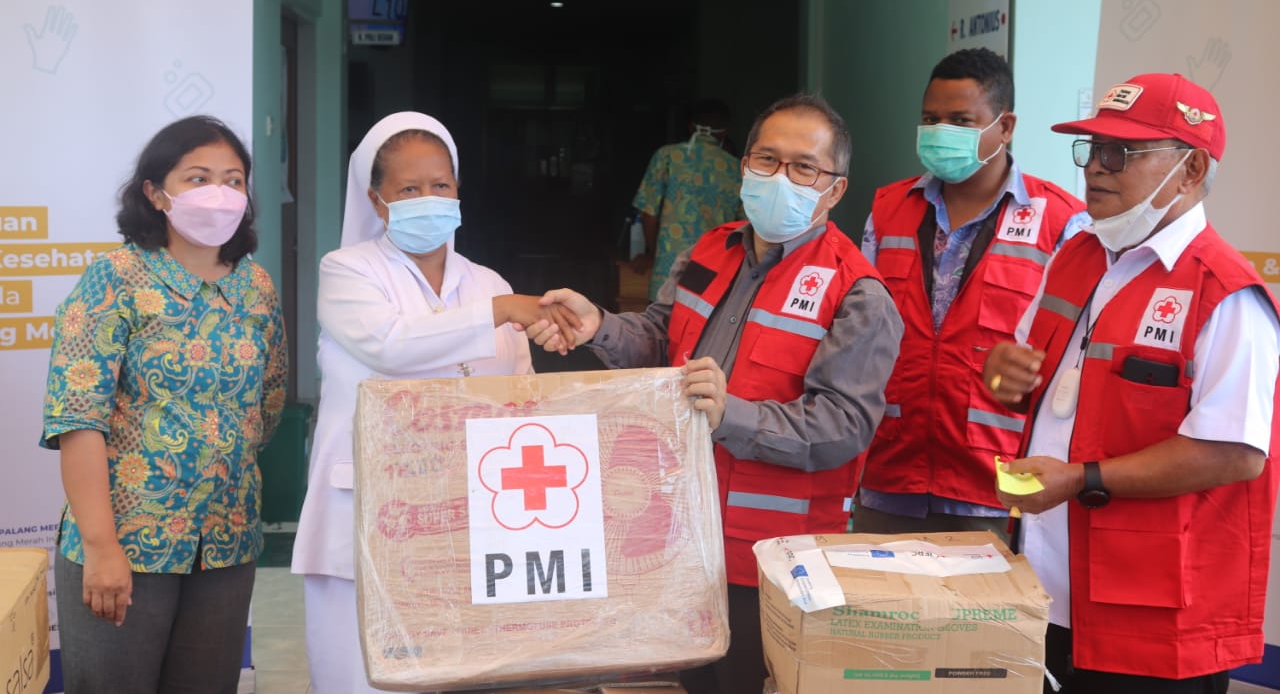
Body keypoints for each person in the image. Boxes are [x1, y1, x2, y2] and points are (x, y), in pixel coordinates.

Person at [529, 94, 903, 694]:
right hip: (677, 541)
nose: (781, 178)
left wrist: (733, 415)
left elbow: (843, 427)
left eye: (804, 167)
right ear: (743, 165)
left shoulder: (858, 294)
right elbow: (656, 338)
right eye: (767, 159)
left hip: (776, 563)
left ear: (834, 190)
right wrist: (598, 324)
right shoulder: (709, 250)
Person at [984, 73, 1280, 693]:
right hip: (1043, 597)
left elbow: (1234, 452)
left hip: (1150, 625)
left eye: (1122, 152)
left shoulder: (1224, 294)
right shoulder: (1077, 256)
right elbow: (1024, 384)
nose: (1097, 167)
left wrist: (1083, 479)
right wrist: (1002, 378)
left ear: (1192, 168)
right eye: (1092, 149)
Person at [290, 111, 579, 694]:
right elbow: (392, 346)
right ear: (377, 201)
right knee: (361, 677)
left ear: (459, 190)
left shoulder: (490, 283)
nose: (429, 198)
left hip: (472, 516)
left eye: (440, 185)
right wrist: (502, 313)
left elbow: (523, 398)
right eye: (409, 189)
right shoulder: (347, 271)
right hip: (367, 515)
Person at [41, 116, 287, 694]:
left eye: (233, 180)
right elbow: (78, 420)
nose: (219, 194)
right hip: (125, 542)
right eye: (198, 177)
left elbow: (268, 405)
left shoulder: (256, 287)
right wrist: (102, 548)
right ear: (156, 193)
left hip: (226, 541)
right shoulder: (113, 280)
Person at [854, 47, 1087, 540]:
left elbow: (1078, 356)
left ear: (1006, 127)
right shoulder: (889, 209)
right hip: (888, 473)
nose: (942, 132)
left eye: (961, 120)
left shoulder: (1062, 222)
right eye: (930, 119)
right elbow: (857, 333)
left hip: (999, 487)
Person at [630, 98, 743, 300]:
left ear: (690, 126)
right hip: (714, 269)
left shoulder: (667, 156)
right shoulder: (736, 168)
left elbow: (649, 212)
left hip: (667, 269)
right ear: (725, 132)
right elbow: (742, 225)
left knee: (660, 326)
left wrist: (652, 254)